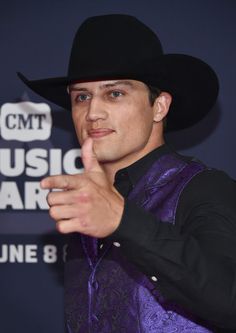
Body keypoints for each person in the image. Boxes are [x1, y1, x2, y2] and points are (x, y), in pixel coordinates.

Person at [18, 14, 236, 333]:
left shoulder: (206, 188)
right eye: (81, 97)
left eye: (115, 93)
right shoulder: (84, 212)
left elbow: (228, 298)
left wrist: (123, 222)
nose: (93, 112)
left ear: (159, 107)